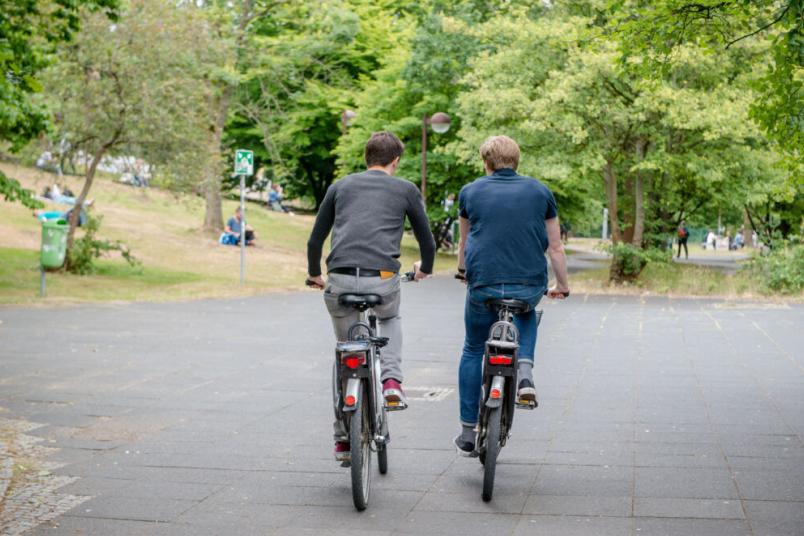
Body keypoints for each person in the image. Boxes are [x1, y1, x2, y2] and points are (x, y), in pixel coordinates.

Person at [306, 131, 435, 462]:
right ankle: (391, 382)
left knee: (344, 353)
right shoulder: (406, 189)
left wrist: (315, 274)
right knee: (390, 317)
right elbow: (427, 241)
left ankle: (342, 441)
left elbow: (315, 239)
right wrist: (424, 269)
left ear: (366, 158)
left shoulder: (341, 186)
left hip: (340, 280)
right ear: (395, 161)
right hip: (382, 280)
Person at [454, 135, 570, 455]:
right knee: (528, 312)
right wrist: (562, 285)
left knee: (473, 348)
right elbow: (556, 247)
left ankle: (467, 429)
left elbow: (464, 243)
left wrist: (463, 271)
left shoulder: (470, 192)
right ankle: (525, 374)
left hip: (483, 283)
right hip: (528, 283)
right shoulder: (540, 192)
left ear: (486, 163)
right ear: (517, 162)